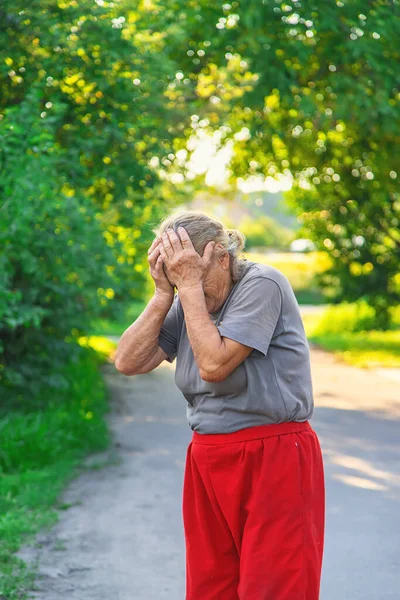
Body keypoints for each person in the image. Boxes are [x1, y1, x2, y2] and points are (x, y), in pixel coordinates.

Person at [115, 210, 326, 600]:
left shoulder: (262, 284)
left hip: (273, 455)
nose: (186, 284)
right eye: (176, 275)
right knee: (212, 587)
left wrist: (190, 289)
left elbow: (214, 364)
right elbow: (128, 361)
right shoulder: (188, 297)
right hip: (208, 457)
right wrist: (165, 294)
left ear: (222, 256)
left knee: (275, 587)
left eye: (190, 271)